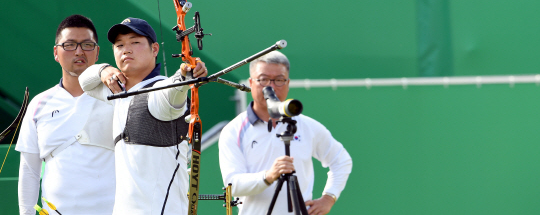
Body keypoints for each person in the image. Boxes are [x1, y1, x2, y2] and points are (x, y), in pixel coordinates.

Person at [79, 17, 207, 214]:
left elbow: (171, 90)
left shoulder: (160, 89)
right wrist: (104, 69)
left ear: (154, 49)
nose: (126, 49)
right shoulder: (117, 91)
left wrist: (185, 75)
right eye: (119, 45)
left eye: (135, 42)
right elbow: (84, 82)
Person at [219, 51, 352, 215]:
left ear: (288, 83)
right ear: (251, 83)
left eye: (279, 80)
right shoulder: (234, 130)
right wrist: (269, 175)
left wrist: (329, 197)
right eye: (263, 79)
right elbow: (232, 185)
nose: (271, 87)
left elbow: (341, 160)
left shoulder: (306, 125)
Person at [15, 15, 116, 215]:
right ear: (56, 52)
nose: (79, 51)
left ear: (97, 53)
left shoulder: (117, 96)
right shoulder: (39, 104)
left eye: (87, 45)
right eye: (69, 45)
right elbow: (29, 170)